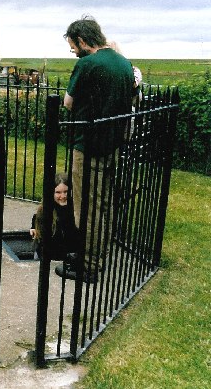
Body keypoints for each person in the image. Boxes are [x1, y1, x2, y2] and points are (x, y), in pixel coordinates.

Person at [61, 16, 135, 283]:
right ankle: (95, 255)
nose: (73, 52)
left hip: (87, 144)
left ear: (82, 41)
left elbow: (68, 103)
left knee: (86, 206)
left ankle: (88, 265)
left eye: (73, 46)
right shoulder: (123, 63)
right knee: (103, 204)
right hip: (113, 143)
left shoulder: (87, 63)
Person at [29, 172, 79, 264]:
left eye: (66, 192)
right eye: (58, 192)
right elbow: (37, 217)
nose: (63, 196)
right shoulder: (48, 207)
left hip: (69, 252)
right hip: (51, 253)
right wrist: (33, 227)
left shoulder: (74, 206)